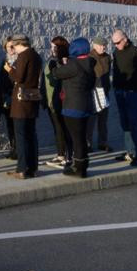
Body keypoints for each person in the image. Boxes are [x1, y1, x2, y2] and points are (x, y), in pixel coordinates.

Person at [52, 37, 97, 178]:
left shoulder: (75, 64)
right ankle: (82, 165)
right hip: (85, 105)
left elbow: (56, 74)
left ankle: (78, 168)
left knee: (76, 139)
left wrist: (58, 64)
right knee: (82, 138)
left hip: (72, 107)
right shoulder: (90, 63)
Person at [5, 34, 43, 179]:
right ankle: (33, 168)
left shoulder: (23, 56)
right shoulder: (36, 55)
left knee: (20, 136)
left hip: (21, 102)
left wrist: (9, 70)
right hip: (33, 99)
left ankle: (21, 169)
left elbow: (19, 78)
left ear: (17, 44)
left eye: (13, 46)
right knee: (31, 135)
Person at [111, 29, 137, 165]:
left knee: (133, 122)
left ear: (125, 39)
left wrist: (132, 87)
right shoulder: (116, 52)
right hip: (119, 91)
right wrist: (116, 85)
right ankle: (129, 152)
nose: (116, 45)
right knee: (124, 123)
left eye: (118, 42)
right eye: (114, 43)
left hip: (131, 92)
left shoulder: (136, 52)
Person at [44, 36, 72, 169]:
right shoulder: (52, 60)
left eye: (55, 47)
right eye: (51, 47)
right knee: (57, 128)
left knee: (62, 128)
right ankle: (60, 154)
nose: (52, 49)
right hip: (51, 100)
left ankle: (66, 156)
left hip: (60, 100)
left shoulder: (64, 61)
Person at [0, 41, 18, 162]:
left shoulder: (20, 61)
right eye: (9, 47)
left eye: (13, 46)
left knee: (17, 125)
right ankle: (13, 148)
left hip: (18, 99)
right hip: (7, 99)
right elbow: (0, 82)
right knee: (10, 125)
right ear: (6, 49)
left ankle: (18, 150)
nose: (12, 49)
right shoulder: (5, 62)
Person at [90, 36, 113, 153]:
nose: (103, 47)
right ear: (94, 45)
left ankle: (102, 142)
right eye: (101, 45)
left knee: (103, 120)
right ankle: (88, 143)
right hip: (93, 92)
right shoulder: (90, 57)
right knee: (91, 120)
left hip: (104, 92)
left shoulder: (108, 57)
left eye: (105, 45)